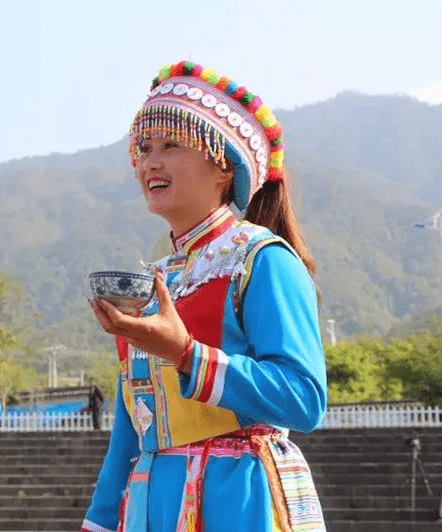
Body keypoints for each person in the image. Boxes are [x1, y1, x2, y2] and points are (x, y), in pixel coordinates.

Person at [82, 61, 327, 532]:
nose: (150, 162)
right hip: (151, 500)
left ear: (222, 164)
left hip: (238, 497)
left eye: (170, 146)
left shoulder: (263, 259)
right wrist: (97, 520)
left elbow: (304, 397)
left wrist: (185, 354)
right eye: (144, 149)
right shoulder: (153, 282)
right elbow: (130, 433)